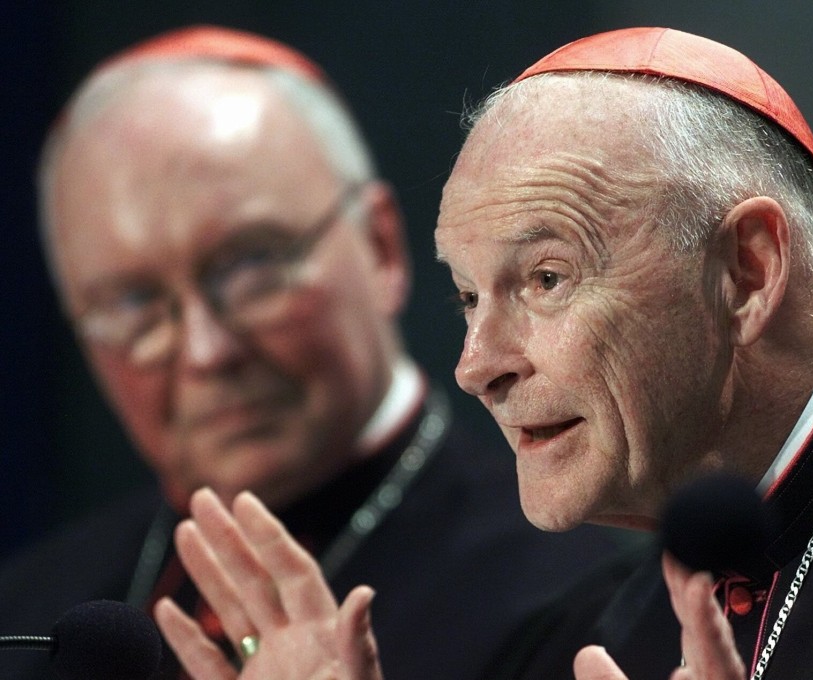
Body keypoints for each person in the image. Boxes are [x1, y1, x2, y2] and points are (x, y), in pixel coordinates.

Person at [152, 26, 813, 680]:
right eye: (465, 296)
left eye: (546, 278)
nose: (475, 365)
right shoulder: (589, 635)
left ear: (748, 272)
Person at [0, 25, 633, 680]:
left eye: (250, 266)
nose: (206, 351)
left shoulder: (576, 607)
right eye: (132, 303)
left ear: (380, 246)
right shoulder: (27, 613)